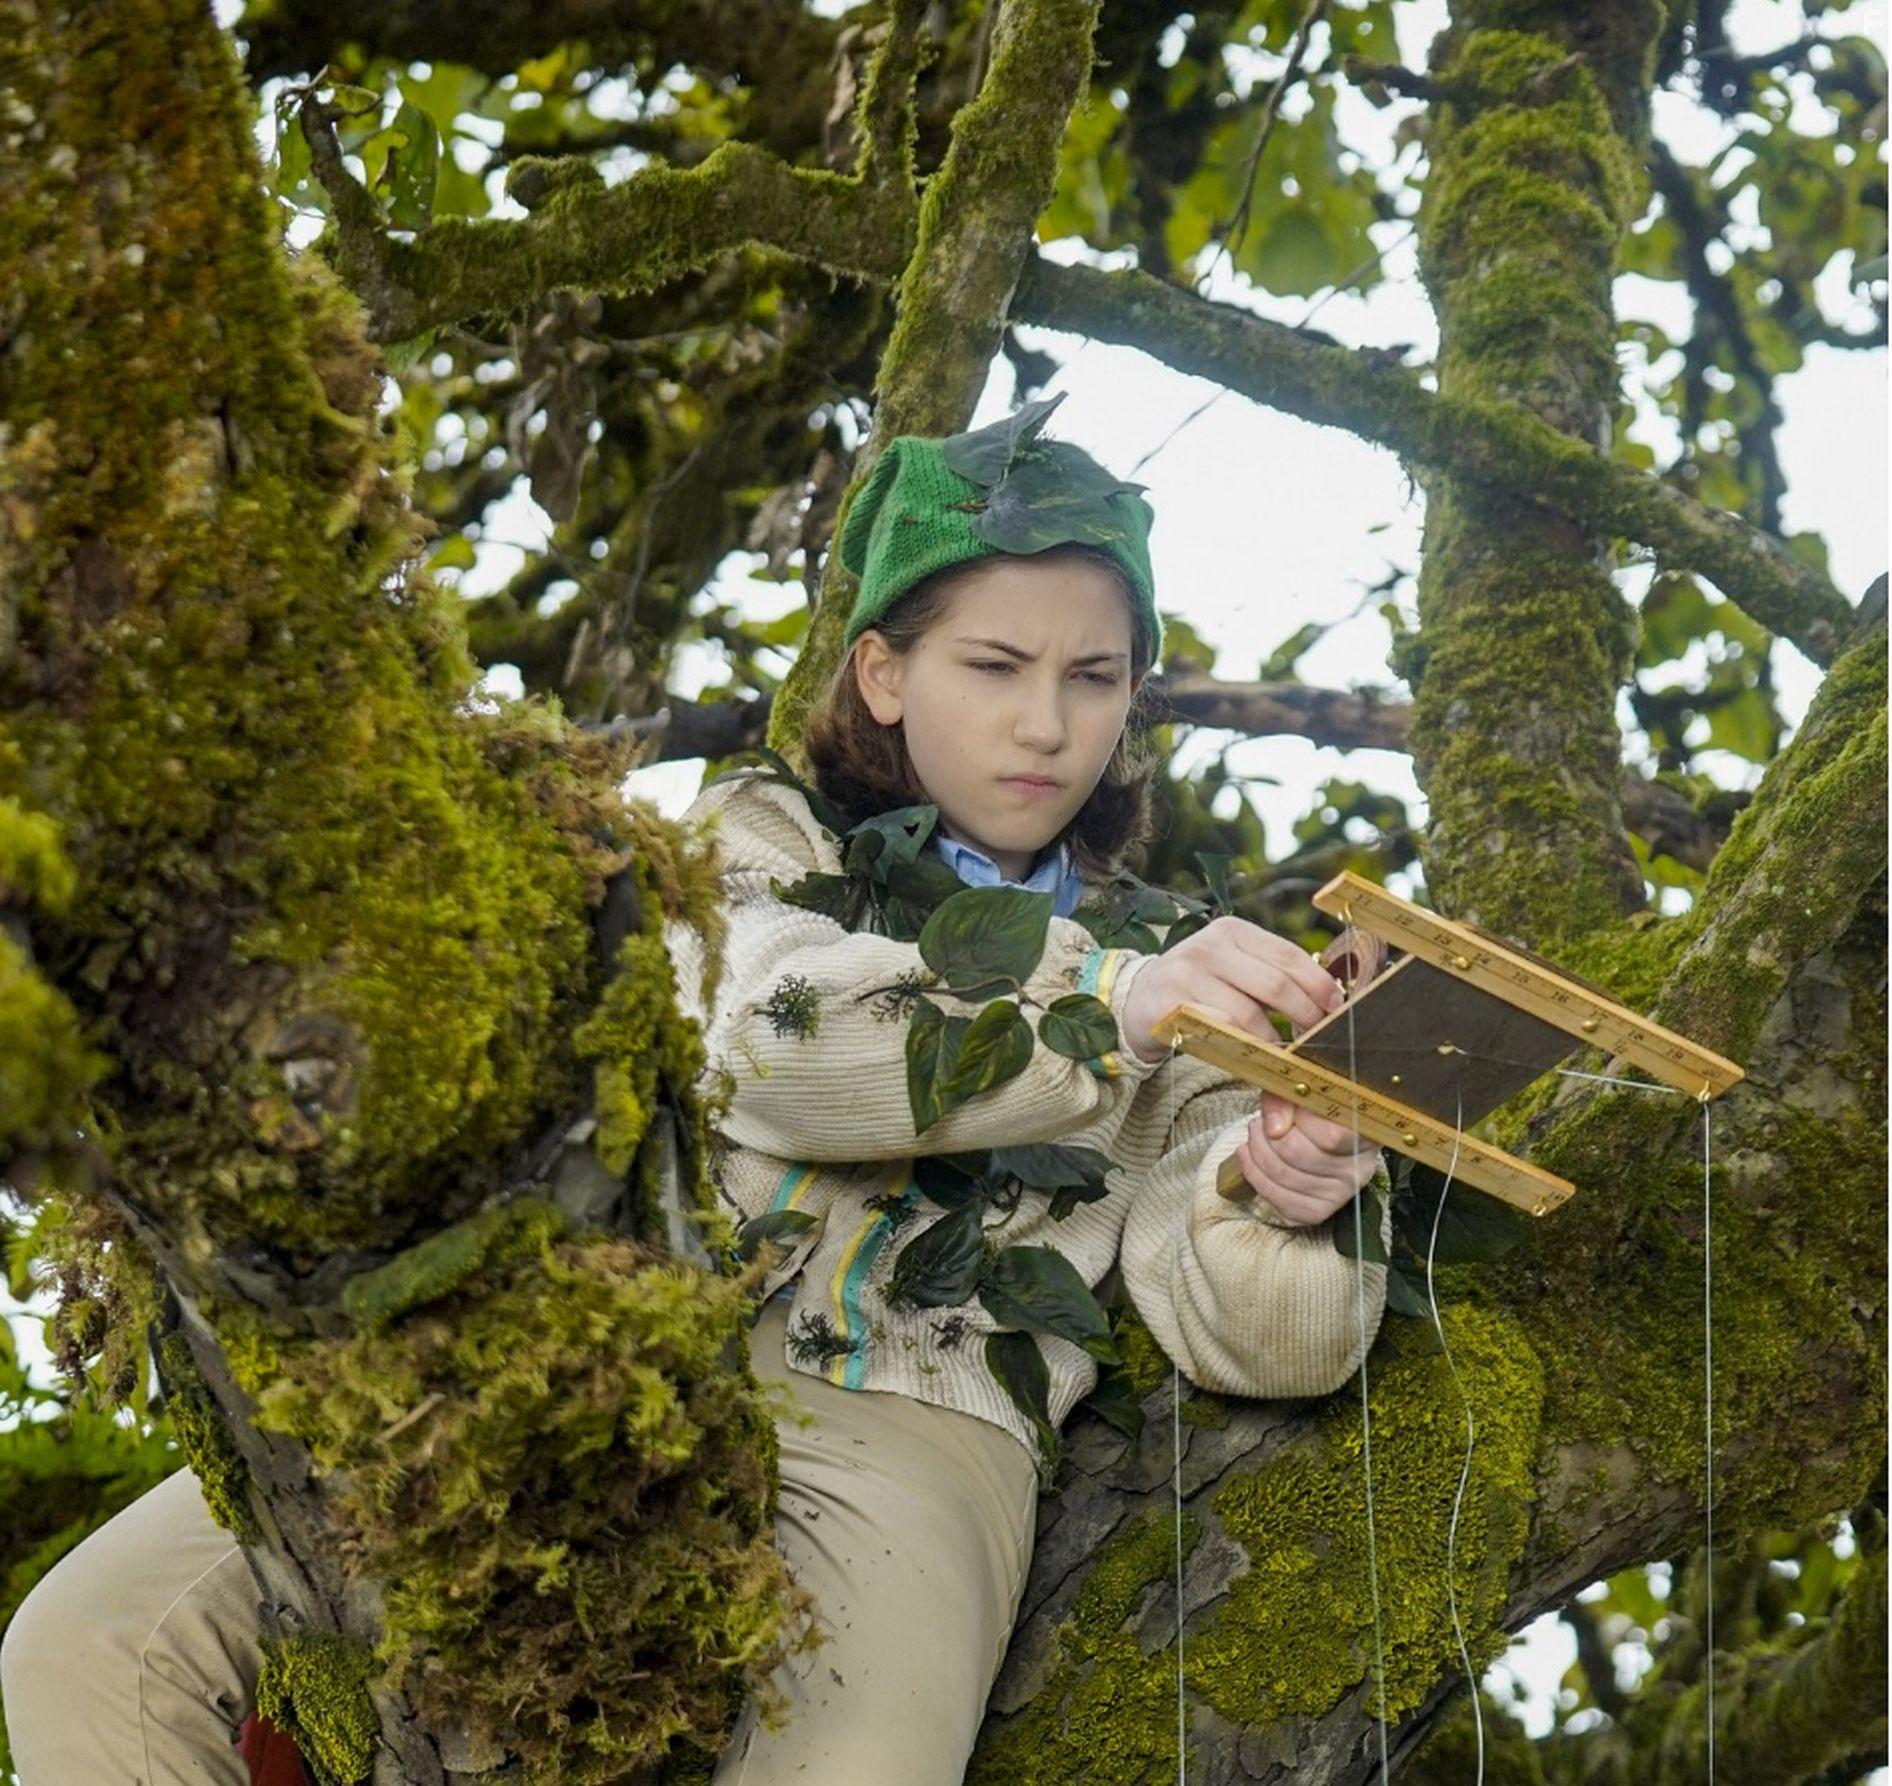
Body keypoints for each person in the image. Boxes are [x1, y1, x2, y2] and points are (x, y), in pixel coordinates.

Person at [0, 408, 1389, 1786]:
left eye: (1095, 675)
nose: (1047, 720)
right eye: (995, 662)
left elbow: (1269, 1340)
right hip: (605, 1348)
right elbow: (767, 1046)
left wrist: (1286, 1192)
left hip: (912, 1435)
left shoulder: (1196, 971)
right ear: (883, 673)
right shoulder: (757, 834)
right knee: (86, 1644)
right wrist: (1106, 1015)